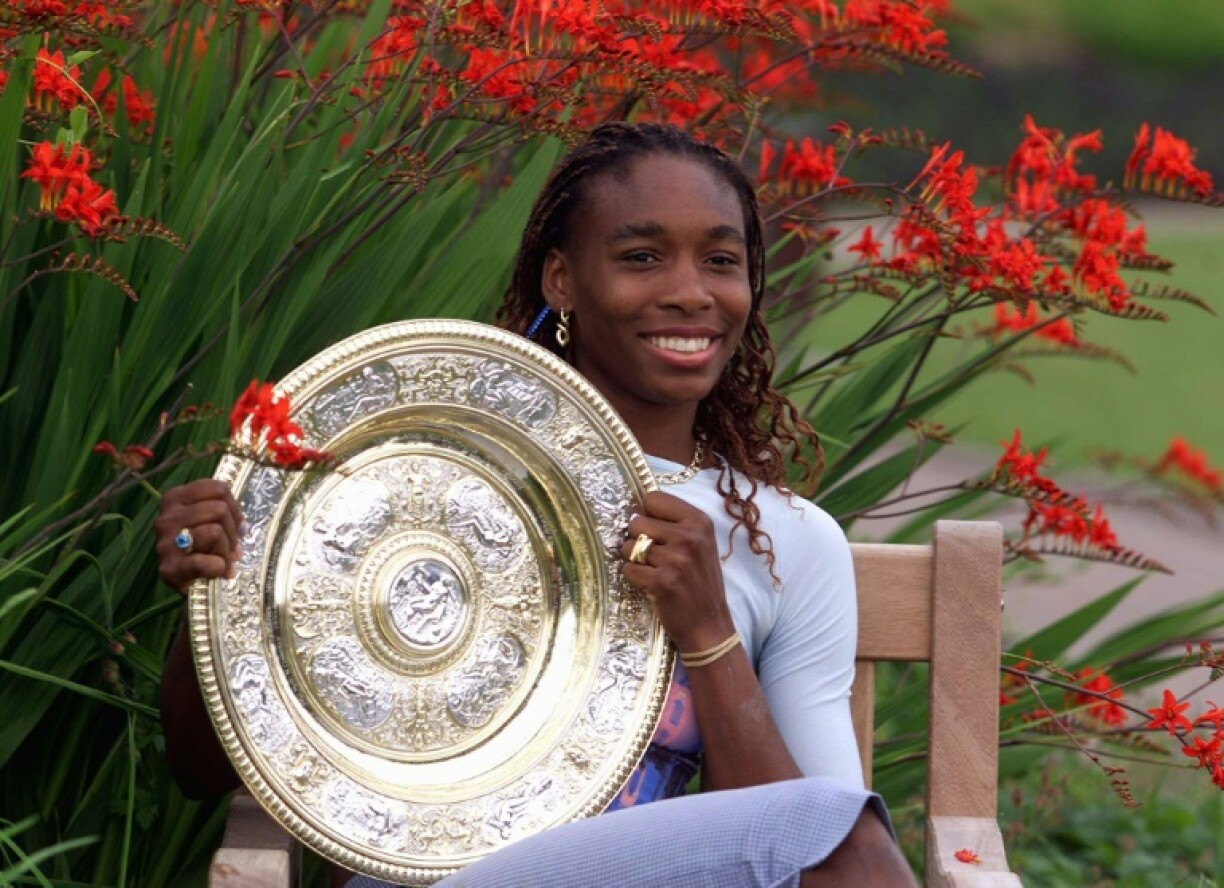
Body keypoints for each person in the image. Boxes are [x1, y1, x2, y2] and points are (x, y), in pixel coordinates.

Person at [156, 122, 916, 887]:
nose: (690, 292)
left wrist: (709, 635)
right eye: (641, 257)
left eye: (721, 261)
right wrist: (213, 590)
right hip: (430, 879)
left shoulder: (788, 541)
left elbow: (806, 842)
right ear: (562, 281)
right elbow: (199, 769)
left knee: (840, 836)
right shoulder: (420, 469)